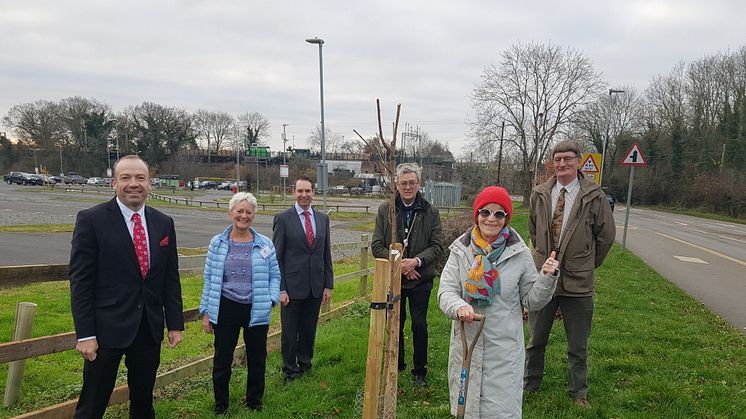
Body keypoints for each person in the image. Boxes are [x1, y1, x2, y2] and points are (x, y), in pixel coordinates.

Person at [69, 155, 184, 419]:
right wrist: (85, 334)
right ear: (114, 183)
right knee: (92, 404)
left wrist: (175, 323)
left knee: (143, 402)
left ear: (150, 183)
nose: (134, 184)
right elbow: (81, 282)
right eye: (126, 178)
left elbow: (169, 277)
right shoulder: (92, 219)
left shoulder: (163, 222)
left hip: (148, 328)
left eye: (140, 178)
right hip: (106, 329)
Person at [437, 186, 559, 418]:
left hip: (504, 350)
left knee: (500, 411)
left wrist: (546, 278)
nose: (491, 219)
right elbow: (446, 291)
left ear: (506, 219)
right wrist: (459, 307)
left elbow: (532, 301)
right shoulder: (461, 251)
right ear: (477, 215)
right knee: (467, 410)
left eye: (499, 214)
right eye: (485, 212)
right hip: (467, 345)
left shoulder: (519, 253)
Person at [524, 140, 616, 408]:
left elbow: (606, 237)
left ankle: (578, 393)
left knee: (578, 344)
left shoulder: (593, 195)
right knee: (535, 339)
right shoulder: (540, 194)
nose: (562, 164)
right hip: (544, 279)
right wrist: (543, 259)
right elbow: (533, 230)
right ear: (552, 163)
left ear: (578, 161)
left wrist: (584, 263)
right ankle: (530, 385)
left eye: (568, 159)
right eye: (558, 159)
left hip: (578, 284)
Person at [199, 192, 280, 414]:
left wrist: (272, 299)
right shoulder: (217, 243)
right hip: (227, 307)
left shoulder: (265, 244)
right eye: (239, 211)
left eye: (248, 212)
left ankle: (254, 402)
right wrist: (206, 311)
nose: (243, 216)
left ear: (253, 215)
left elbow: (275, 275)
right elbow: (209, 278)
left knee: (257, 359)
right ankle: (221, 405)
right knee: (222, 359)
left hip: (257, 308)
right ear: (231, 213)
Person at [371, 163, 444, 387]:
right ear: (396, 185)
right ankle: (397, 364)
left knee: (419, 325)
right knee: (396, 322)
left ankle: (419, 371)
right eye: (404, 183)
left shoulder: (430, 211)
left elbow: (437, 245)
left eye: (412, 183)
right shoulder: (386, 210)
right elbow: (377, 245)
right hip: (395, 279)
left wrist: (416, 262)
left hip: (421, 279)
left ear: (419, 184)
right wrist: (401, 265)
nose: (408, 187)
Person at [272, 176, 334, 383]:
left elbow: (326, 254)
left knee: (309, 329)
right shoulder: (283, 218)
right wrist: (280, 289)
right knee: (290, 333)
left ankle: (305, 364)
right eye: (300, 191)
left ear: (313, 193)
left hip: (315, 286)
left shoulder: (323, 219)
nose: (304, 195)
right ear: (293, 193)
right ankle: (290, 370)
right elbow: (277, 257)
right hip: (291, 288)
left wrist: (328, 284)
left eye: (308, 191)